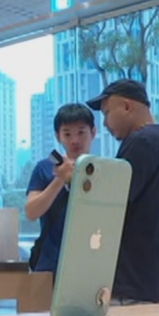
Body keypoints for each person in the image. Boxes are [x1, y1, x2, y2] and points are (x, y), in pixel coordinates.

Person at [85, 79, 159, 304]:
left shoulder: (141, 142)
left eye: (107, 113)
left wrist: (78, 180)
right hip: (150, 285)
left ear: (127, 106)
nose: (105, 123)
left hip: (132, 289)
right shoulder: (158, 140)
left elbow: (110, 202)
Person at [24, 103, 97, 273]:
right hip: (50, 263)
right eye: (67, 134)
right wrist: (60, 179)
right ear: (58, 136)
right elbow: (31, 212)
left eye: (81, 132)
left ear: (93, 132)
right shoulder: (45, 168)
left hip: (91, 263)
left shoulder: (102, 170)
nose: (75, 140)